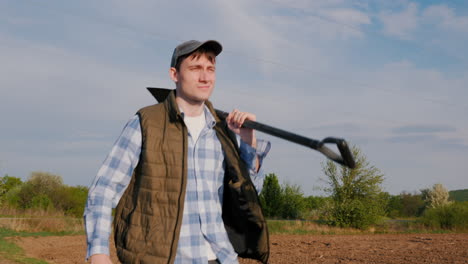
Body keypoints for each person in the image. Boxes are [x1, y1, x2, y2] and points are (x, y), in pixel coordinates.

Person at [84, 40, 271, 264]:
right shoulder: (146, 123)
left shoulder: (221, 130)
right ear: (174, 74)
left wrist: (247, 141)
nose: (205, 77)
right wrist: (98, 253)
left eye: (210, 69)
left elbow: (249, 195)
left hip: (221, 258)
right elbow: (103, 190)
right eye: (195, 68)